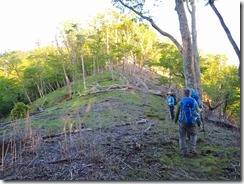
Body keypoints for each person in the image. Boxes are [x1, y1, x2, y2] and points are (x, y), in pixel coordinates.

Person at [174, 88, 202, 157]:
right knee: (193, 135)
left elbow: (177, 112)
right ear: (190, 94)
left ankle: (183, 152)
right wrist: (199, 123)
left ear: (183, 94)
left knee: (182, 136)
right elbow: (198, 112)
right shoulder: (194, 101)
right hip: (192, 122)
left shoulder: (181, 102)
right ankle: (192, 150)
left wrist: (175, 120)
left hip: (182, 122)